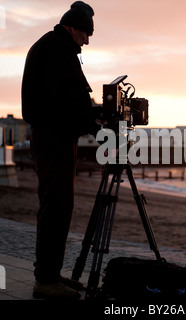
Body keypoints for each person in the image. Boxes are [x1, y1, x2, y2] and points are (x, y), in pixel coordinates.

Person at [21, 1, 99, 299]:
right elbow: (68, 102)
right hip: (54, 139)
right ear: (73, 28)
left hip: (53, 137)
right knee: (57, 207)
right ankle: (46, 281)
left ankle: (50, 275)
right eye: (86, 34)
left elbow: (69, 99)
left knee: (56, 205)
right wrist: (97, 128)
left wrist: (92, 118)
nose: (87, 41)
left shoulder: (53, 46)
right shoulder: (57, 50)